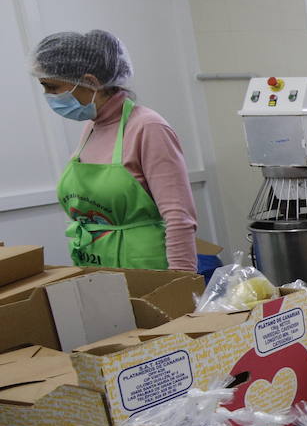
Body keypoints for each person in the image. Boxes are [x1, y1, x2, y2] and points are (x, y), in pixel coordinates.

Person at [33, 30, 197, 271]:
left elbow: (178, 217)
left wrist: (180, 283)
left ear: (91, 82)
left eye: (52, 87)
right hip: (97, 265)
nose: (48, 96)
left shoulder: (147, 127)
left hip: (147, 270)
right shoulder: (92, 127)